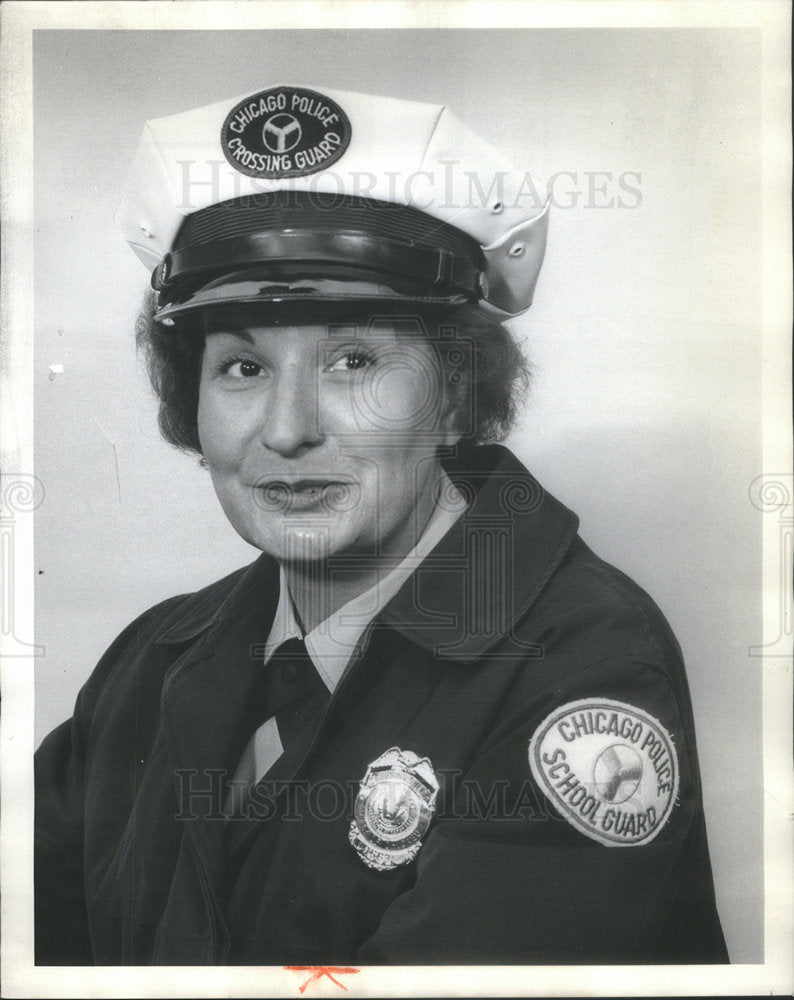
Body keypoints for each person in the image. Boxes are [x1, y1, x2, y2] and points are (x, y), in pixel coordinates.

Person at [34, 83, 728, 966]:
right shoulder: (149, 662)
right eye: (242, 365)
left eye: (355, 360)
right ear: (191, 404)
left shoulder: (585, 666)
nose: (287, 429)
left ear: (455, 396)